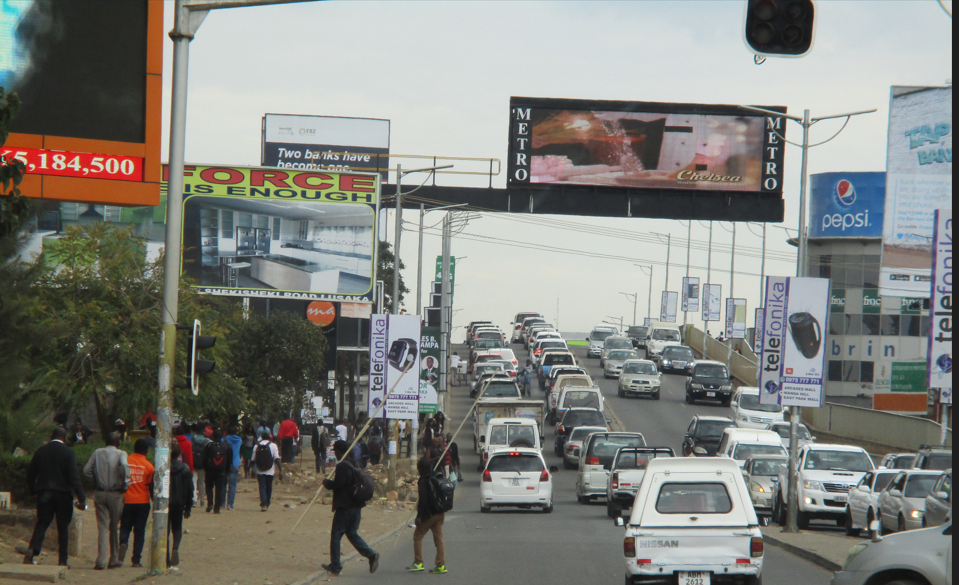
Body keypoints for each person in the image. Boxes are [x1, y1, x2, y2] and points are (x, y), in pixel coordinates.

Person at [23, 427, 86, 567]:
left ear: (51, 437)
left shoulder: (40, 451)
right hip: (63, 495)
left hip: (44, 493)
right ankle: (62, 561)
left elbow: (30, 474)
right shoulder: (68, 453)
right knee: (63, 527)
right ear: (64, 439)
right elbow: (74, 477)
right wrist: (81, 498)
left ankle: (32, 550)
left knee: (42, 523)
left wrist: (33, 491)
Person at [321, 441, 379, 577]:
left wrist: (327, 483)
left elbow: (339, 484)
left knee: (336, 534)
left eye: (335, 450)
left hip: (345, 506)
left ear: (339, 451)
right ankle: (370, 554)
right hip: (356, 505)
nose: (334, 453)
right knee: (352, 533)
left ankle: (335, 565)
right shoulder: (355, 463)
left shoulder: (342, 466)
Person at [82, 432, 130, 570]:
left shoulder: (97, 452)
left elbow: (86, 470)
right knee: (114, 527)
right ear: (118, 442)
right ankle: (113, 558)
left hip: (100, 492)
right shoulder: (122, 453)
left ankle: (101, 560)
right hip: (116, 494)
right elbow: (125, 467)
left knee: (102, 527)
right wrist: (125, 484)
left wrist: (96, 478)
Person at [405, 457, 447, 574]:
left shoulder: (424, 481)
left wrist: (419, 517)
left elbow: (423, 500)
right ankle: (440, 565)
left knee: (417, 536)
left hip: (429, 515)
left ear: (422, 469)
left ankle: (418, 562)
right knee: (439, 539)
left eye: (419, 468)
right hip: (440, 513)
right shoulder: (436, 477)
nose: (418, 471)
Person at [118, 439, 154, 568]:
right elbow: (151, 487)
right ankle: (136, 560)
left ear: (134, 448)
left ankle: (123, 542)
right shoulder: (149, 467)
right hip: (142, 502)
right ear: (146, 451)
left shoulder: (126, 462)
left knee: (125, 526)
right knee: (139, 531)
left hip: (126, 501)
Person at [167, 441, 193, 568]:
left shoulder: (163, 467)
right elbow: (190, 489)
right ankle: (175, 548)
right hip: (179, 503)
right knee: (177, 528)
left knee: (164, 530)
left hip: (164, 503)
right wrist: (188, 507)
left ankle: (165, 555)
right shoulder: (184, 469)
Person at [202, 429, 231, 514]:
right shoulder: (226, 446)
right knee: (219, 489)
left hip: (210, 471)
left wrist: (205, 468)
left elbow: (204, 458)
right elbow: (229, 460)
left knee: (209, 488)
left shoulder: (209, 446)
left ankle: (210, 503)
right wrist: (227, 470)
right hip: (221, 471)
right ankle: (217, 507)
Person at [253, 431, 281, 511]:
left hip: (260, 470)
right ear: (269, 436)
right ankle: (267, 502)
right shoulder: (273, 446)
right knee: (269, 486)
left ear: (261, 437)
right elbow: (277, 458)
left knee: (261, 487)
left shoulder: (256, 446)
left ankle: (264, 503)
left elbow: (253, 459)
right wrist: (280, 469)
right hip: (270, 470)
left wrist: (251, 469)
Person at [190, 424, 210, 510]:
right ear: (203, 432)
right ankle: (202, 500)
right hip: (203, 465)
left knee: (193, 481)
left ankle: (194, 499)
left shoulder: (191, 440)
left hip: (193, 464)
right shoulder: (207, 441)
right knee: (202, 482)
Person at [223, 427, 243, 510]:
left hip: (225, 464)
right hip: (235, 463)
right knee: (232, 486)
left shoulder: (224, 439)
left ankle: (222, 503)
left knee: (223, 484)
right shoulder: (239, 440)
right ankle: (230, 504)